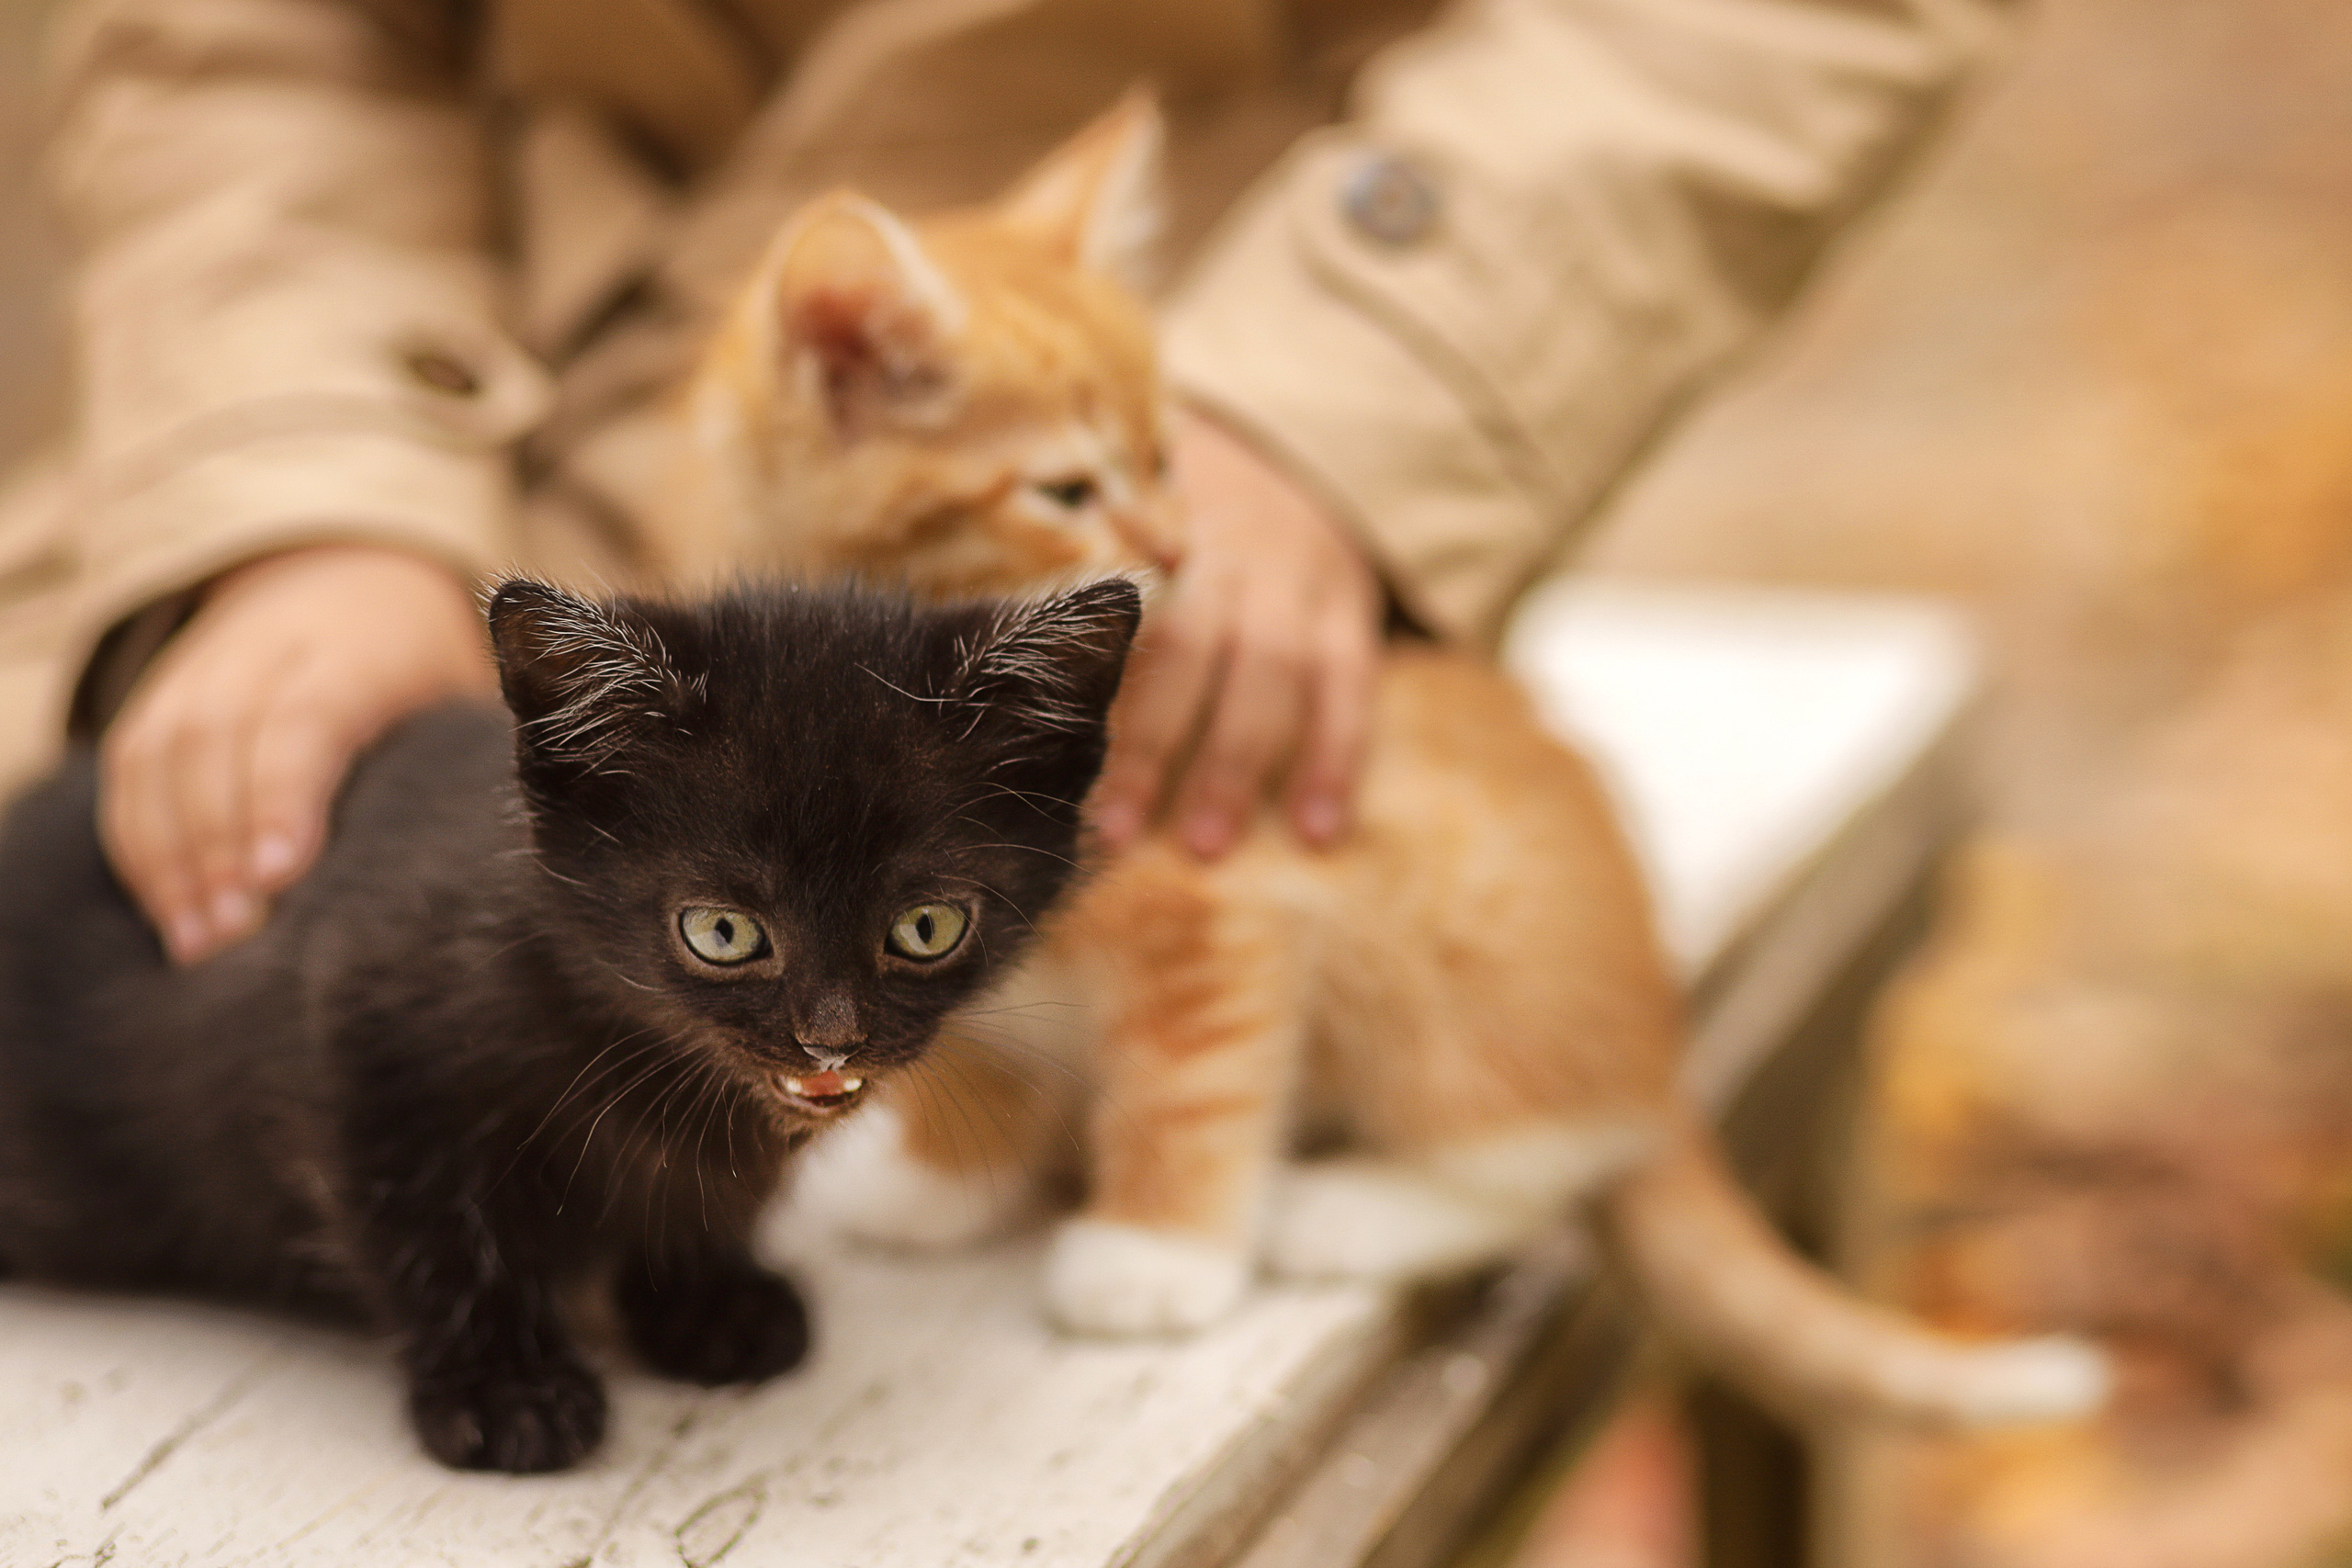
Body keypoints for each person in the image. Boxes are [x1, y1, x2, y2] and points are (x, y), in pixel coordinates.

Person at [0, 0, 2016, 963]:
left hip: (1232, 395)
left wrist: (1342, 388)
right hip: (454, 391)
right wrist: (310, 477)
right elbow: (236, 44)